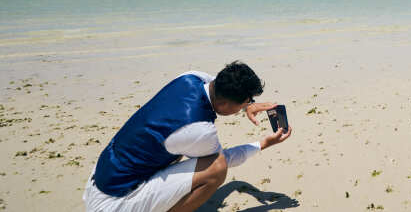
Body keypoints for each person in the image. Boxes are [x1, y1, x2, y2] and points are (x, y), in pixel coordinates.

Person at [84, 61, 292, 212]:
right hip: (112, 203)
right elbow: (222, 161)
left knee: (178, 151)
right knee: (216, 169)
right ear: (226, 104)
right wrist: (263, 143)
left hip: (101, 177)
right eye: (243, 105)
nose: (243, 109)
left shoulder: (190, 77)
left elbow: (220, 86)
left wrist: (249, 104)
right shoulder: (198, 129)